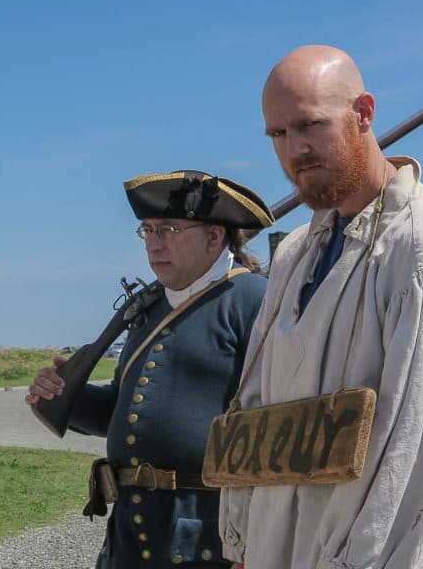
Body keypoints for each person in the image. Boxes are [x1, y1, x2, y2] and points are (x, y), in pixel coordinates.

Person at [218, 45, 423, 568]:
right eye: (278, 134)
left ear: (363, 113)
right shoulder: (297, 252)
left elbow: (415, 452)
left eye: (310, 125)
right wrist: (242, 542)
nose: (294, 149)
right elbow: (255, 408)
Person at [26, 170, 274, 567]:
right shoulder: (148, 308)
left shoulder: (255, 300)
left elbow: (277, 426)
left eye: (170, 229)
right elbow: (123, 410)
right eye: (148, 231)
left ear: (214, 236)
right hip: (131, 533)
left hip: (209, 533)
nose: (154, 245)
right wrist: (66, 398)